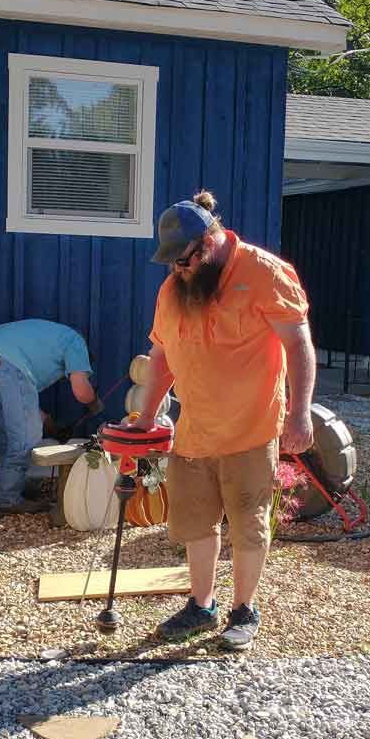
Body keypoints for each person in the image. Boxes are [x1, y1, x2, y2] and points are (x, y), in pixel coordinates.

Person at [131, 191, 315, 651]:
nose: (179, 271)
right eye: (172, 264)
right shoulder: (175, 289)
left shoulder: (265, 273)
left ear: (209, 243)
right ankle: (201, 604)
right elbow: (162, 356)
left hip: (251, 429)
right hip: (194, 430)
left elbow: (297, 345)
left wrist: (300, 412)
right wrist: (147, 417)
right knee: (195, 523)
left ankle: (244, 609)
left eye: (185, 261)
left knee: (248, 523)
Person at [0, 320, 102, 515]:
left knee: (7, 430)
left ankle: (8, 487)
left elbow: (22, 408)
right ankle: (7, 499)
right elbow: (81, 391)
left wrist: (49, 424)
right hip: (5, 363)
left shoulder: (47, 342)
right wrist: (94, 402)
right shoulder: (76, 342)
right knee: (25, 437)